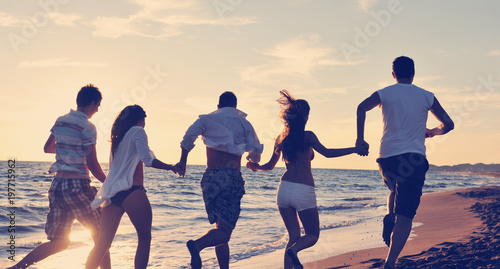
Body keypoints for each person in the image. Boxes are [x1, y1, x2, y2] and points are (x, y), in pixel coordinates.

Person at [356, 56, 454, 269]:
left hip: (386, 158)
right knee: (406, 215)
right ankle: (390, 263)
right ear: (413, 74)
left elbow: (361, 107)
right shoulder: (427, 96)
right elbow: (448, 124)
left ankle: (390, 215)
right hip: (413, 159)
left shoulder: (385, 93)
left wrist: (360, 139)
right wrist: (433, 132)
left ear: (393, 74)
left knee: (394, 187)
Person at [246, 90, 362, 269]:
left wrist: (256, 167)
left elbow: (269, 166)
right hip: (303, 189)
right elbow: (328, 153)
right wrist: (354, 149)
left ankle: (291, 255)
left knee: (293, 236)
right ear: (305, 116)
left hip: (283, 190)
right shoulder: (308, 136)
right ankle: (294, 252)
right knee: (312, 235)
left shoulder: (281, 138)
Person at [8, 84, 111, 269]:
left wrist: (68, 148)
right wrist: (109, 182)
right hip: (76, 185)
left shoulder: (60, 121)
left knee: (60, 242)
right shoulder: (88, 126)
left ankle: (17, 267)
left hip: (57, 186)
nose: (97, 110)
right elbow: (93, 164)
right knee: (102, 237)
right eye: (98, 106)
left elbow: (47, 148)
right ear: (93, 103)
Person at [85, 105, 181, 269]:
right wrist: (171, 166)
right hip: (132, 191)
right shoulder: (138, 131)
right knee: (144, 238)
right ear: (140, 119)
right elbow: (148, 160)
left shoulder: (118, 138)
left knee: (102, 245)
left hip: (113, 194)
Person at [176, 91, 263, 269]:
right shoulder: (243, 123)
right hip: (231, 177)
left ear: (218, 106)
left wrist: (183, 161)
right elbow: (256, 150)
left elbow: (188, 137)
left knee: (220, 227)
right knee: (225, 232)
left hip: (211, 177)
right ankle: (196, 245)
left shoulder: (206, 119)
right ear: (235, 106)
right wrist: (252, 161)